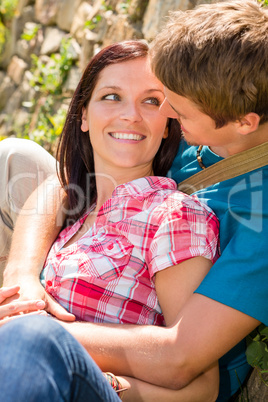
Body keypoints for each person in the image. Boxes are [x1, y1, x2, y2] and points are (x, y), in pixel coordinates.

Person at [2, 0, 267, 400]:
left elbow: (183, 357)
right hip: (106, 252)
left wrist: (43, 331)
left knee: (32, 343)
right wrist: (21, 277)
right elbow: (71, 182)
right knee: (14, 158)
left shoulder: (257, 215)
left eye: (174, 105)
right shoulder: (202, 129)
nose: (162, 110)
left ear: (244, 122)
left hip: (158, 363)